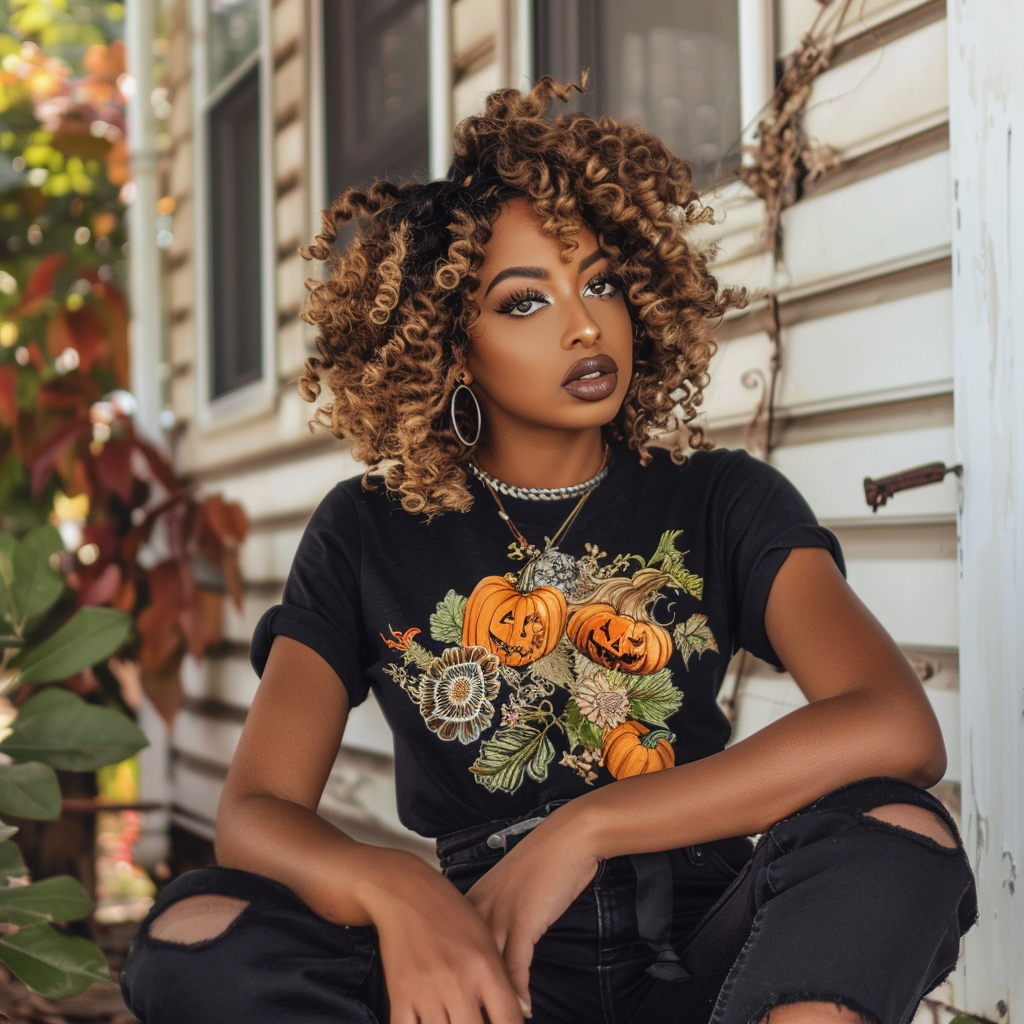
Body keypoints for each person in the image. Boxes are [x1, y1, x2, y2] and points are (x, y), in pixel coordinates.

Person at [119, 76, 976, 1024]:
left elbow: (895, 726)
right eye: (525, 302)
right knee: (190, 935)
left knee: (899, 832)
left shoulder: (719, 497)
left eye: (600, 281)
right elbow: (254, 813)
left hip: (705, 963)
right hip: (484, 963)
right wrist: (395, 894)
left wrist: (588, 827)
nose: (584, 322)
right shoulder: (364, 530)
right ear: (449, 346)